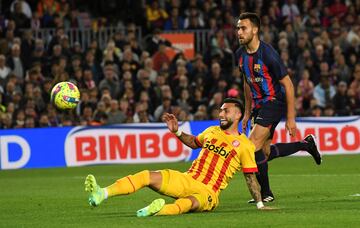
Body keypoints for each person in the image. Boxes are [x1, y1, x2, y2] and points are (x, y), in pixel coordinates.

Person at [84, 98, 274, 217]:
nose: (221, 113)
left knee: (188, 203)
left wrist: (259, 204)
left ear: (238, 114)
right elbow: (193, 142)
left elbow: (250, 177)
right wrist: (176, 132)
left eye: (226, 111)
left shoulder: (245, 145)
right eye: (221, 110)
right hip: (187, 179)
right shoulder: (212, 131)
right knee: (146, 175)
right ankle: (102, 193)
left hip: (208, 192)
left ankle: (158, 210)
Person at [235, 12, 322, 203]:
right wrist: (247, 112)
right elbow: (246, 83)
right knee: (264, 152)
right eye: (238, 28)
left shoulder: (268, 54)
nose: (239, 32)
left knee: (250, 146)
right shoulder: (240, 55)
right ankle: (306, 144)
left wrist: (291, 118)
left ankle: (265, 193)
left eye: (243, 28)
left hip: (274, 102)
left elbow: (288, 85)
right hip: (258, 105)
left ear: (255, 30)